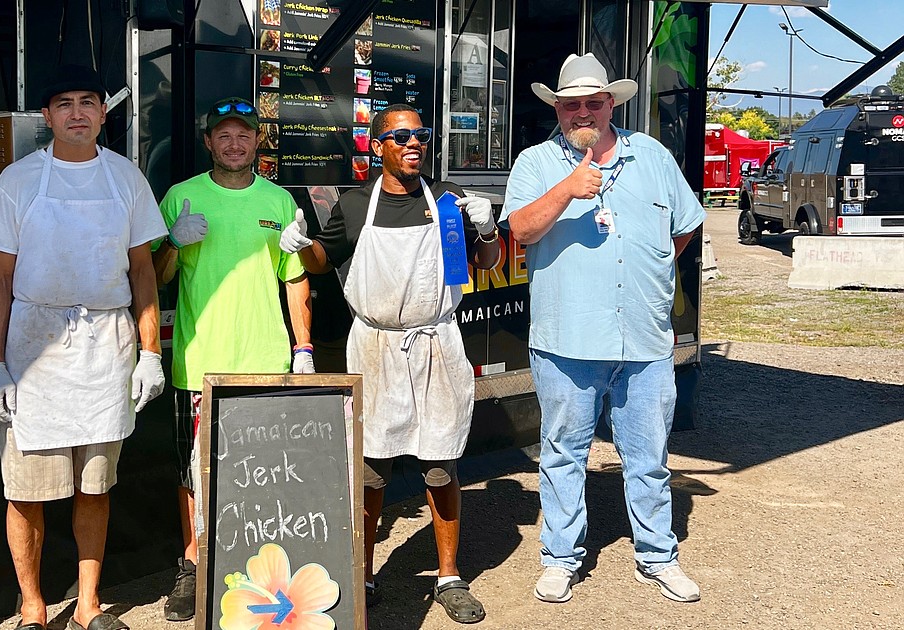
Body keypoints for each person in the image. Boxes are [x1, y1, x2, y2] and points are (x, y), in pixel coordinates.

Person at [279, 103, 500, 624]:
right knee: (372, 471)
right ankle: (364, 573)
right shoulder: (356, 205)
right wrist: (300, 244)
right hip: (375, 349)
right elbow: (321, 260)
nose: (413, 144)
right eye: (400, 137)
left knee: (441, 464)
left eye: (420, 135)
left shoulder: (448, 201)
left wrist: (488, 232)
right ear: (377, 147)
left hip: (436, 345)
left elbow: (484, 264)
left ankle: (449, 576)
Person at [502, 53, 705, 604]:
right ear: (559, 109)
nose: (583, 113)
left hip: (643, 338)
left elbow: (682, 229)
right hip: (567, 338)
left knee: (649, 455)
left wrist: (652, 272)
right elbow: (520, 230)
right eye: (572, 105)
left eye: (594, 102)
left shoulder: (654, 157)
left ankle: (657, 556)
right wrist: (568, 188)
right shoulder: (536, 163)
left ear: (612, 103)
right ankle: (560, 558)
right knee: (564, 452)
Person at [0, 64, 167, 630]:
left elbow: (142, 272)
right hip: (34, 352)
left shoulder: (126, 177)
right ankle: (32, 606)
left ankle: (88, 604)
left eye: (88, 102)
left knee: (95, 486)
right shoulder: (18, 180)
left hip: (107, 347)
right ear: (47, 116)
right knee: (26, 492)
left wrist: (150, 352)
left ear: (103, 113)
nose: (78, 113)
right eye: (65, 104)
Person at [152, 96, 313, 622]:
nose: (234, 142)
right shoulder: (181, 196)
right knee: (191, 473)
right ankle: (193, 564)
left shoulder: (281, 201)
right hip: (200, 362)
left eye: (244, 134)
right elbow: (156, 278)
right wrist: (173, 243)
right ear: (208, 142)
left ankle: (257, 568)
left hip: (267, 363)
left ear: (257, 140)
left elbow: (296, 280)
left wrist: (304, 349)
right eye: (224, 134)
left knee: (265, 472)